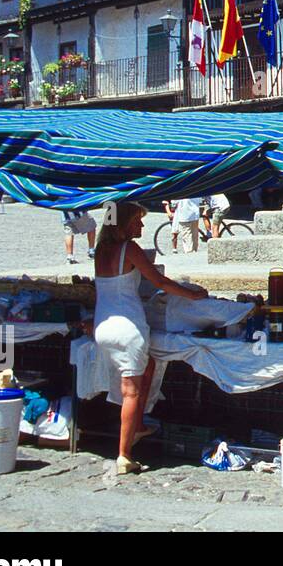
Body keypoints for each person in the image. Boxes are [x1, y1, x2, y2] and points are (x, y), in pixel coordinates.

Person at [93, 201, 207, 475]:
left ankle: (139, 425)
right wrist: (193, 295)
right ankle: (124, 453)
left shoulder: (100, 250)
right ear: (123, 223)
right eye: (137, 220)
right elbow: (160, 282)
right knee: (130, 391)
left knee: (150, 366)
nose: (142, 225)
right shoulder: (128, 249)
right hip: (128, 328)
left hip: (103, 326)